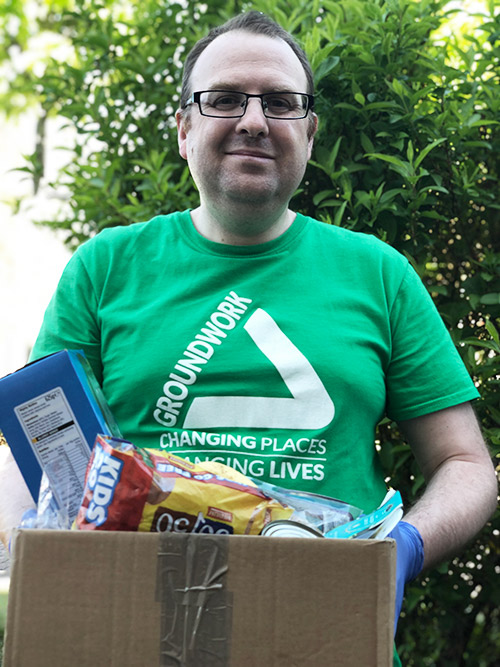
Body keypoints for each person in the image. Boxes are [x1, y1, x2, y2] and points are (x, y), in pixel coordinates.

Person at [29, 10, 497, 664]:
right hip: (134, 631)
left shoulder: (377, 273)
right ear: (185, 128)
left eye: (281, 103)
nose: (253, 120)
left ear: (308, 132)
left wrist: (404, 549)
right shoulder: (105, 267)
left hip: (326, 631)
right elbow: (36, 459)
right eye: (224, 99)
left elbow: (467, 464)